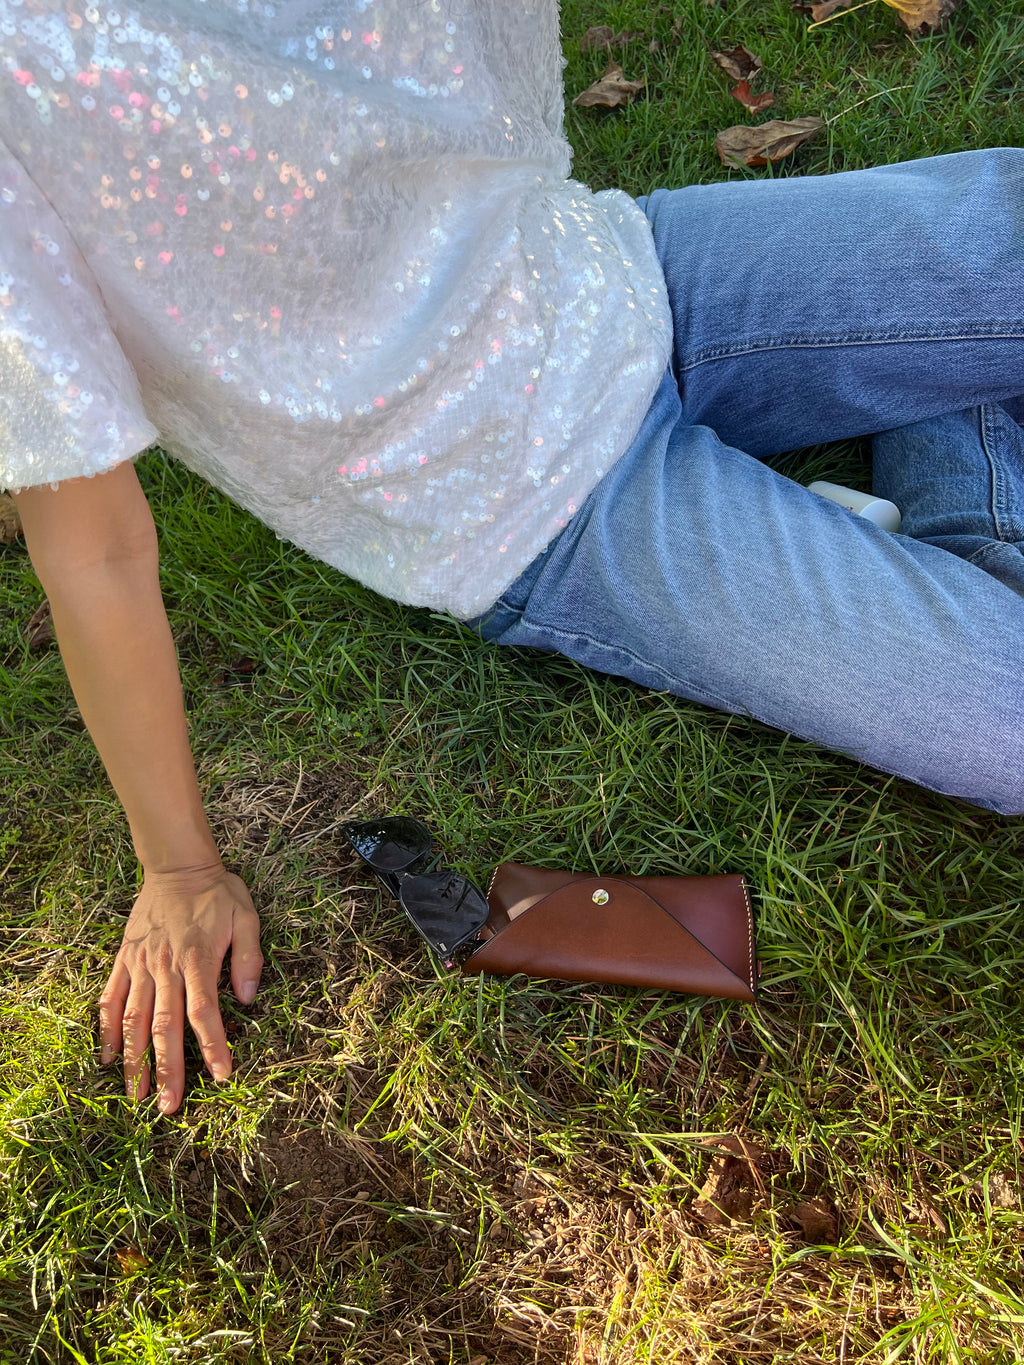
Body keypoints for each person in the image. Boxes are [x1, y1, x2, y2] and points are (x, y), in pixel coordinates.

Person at [3, 0, 1022, 1115]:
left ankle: (946, 398)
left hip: (617, 270)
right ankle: (959, 431)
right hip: (528, 494)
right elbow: (92, 545)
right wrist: (182, 872)